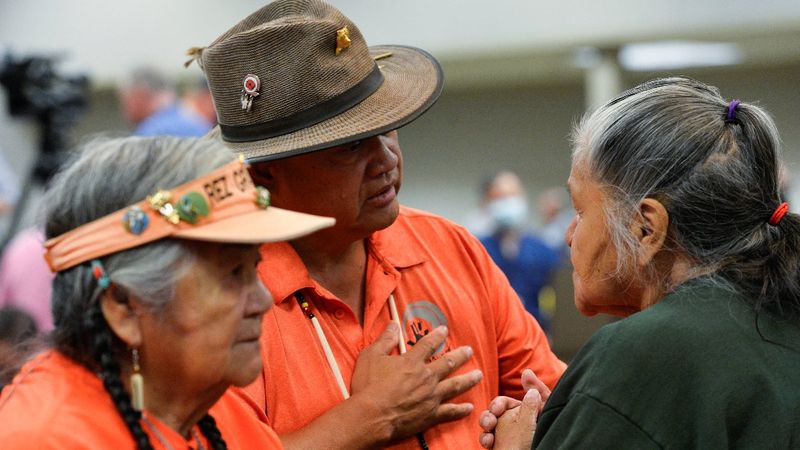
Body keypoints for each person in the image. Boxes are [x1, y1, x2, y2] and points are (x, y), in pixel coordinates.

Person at [188, 0, 566, 448]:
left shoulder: (448, 248)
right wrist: (369, 418)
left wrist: (530, 427)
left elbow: (556, 400)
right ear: (264, 172)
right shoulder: (223, 298)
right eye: (349, 147)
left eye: (387, 128)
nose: (386, 159)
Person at [479, 77, 800, 448]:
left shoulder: (645, 354)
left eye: (581, 211)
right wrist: (587, 422)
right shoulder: (776, 310)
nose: (569, 234)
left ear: (646, 229)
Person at [0, 136, 335, 448]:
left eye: (254, 268)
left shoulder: (217, 414)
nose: (263, 300)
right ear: (123, 306)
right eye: (234, 273)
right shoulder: (44, 437)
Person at [478, 171, 562, 331]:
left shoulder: (543, 250)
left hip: (537, 333)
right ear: (487, 202)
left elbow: (558, 297)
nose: (507, 203)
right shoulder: (478, 249)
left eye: (512, 196)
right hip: (492, 335)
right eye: (499, 198)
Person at [120, 67, 213, 137]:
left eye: (126, 98)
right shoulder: (195, 123)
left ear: (139, 95)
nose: (124, 108)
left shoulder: (151, 131)